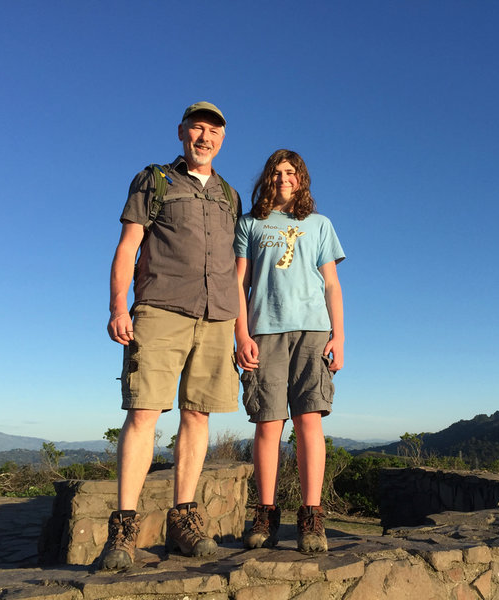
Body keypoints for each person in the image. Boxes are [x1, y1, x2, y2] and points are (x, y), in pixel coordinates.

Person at [101, 101, 241, 570]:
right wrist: (118, 306)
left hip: (218, 316)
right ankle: (123, 529)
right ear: (182, 132)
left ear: (223, 139)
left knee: (197, 416)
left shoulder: (230, 195)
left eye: (214, 131)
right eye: (197, 129)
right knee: (143, 412)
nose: (205, 138)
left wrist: (240, 330)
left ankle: (183, 520)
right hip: (161, 308)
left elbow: (234, 271)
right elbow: (128, 247)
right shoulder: (155, 180)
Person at [234, 149, 345, 552]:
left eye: (290, 172)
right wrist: (241, 334)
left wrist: (339, 337)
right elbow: (239, 285)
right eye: (276, 172)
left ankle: (312, 518)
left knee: (308, 423)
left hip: (314, 331)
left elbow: (331, 285)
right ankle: (265, 514)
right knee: (268, 424)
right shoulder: (250, 224)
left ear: (301, 180)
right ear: (267, 178)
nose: (283, 178)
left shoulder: (319, 225)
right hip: (264, 332)